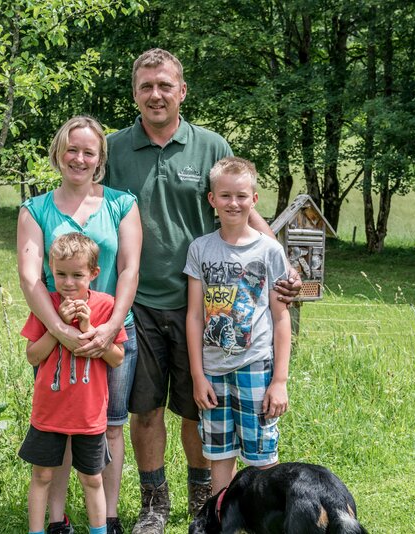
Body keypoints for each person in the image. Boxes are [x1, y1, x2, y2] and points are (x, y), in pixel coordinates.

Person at [103, 48, 300, 534]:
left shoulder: (210, 145)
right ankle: (153, 503)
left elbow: (246, 213)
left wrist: (285, 267)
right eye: (146, 86)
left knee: (198, 408)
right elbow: (90, 208)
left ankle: (203, 503)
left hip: (209, 307)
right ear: (135, 93)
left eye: (165, 85)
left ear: (182, 91)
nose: (156, 94)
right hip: (139, 303)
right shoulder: (114, 149)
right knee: (145, 410)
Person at [18, 115, 142, 534]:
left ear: (100, 158)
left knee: (109, 425)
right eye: (72, 149)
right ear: (58, 152)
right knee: (62, 425)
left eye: (89, 151)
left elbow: (129, 269)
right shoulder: (35, 209)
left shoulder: (122, 204)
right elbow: (31, 277)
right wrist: (60, 330)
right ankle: (56, 521)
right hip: (56, 331)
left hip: (112, 331)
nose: (79, 158)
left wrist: (108, 329)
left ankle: (106, 518)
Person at [184, 156, 291, 493]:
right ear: (212, 200)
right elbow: (195, 316)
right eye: (225, 195)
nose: (234, 203)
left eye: (242, 196)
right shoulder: (201, 249)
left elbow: (280, 317)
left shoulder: (269, 251)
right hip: (214, 371)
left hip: (255, 367)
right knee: (220, 455)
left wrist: (280, 380)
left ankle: (266, 521)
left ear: (254, 200)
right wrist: (198, 376)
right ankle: (222, 520)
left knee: (262, 459)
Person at [19, 232, 128, 534]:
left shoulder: (106, 306)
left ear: (94, 273)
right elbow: (32, 356)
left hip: (89, 415)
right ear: (50, 270)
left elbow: (117, 358)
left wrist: (88, 327)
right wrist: (58, 327)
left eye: (77, 275)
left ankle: (99, 530)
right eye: (60, 274)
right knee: (42, 476)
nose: (68, 283)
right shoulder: (46, 306)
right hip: (48, 412)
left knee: (92, 478)